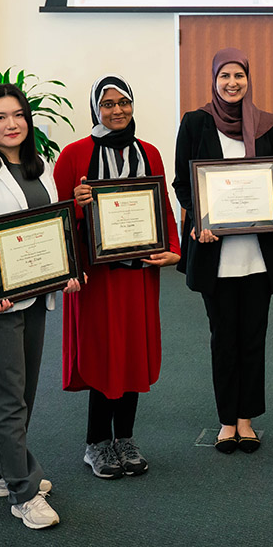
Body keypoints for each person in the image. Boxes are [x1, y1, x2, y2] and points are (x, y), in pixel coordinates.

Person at [0, 84, 80, 529]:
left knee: (18, 394)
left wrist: (67, 270)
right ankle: (23, 493)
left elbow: (52, 229)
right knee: (7, 399)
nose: (11, 124)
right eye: (1, 116)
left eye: (18, 114)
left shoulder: (40, 168)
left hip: (37, 295)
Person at [55, 75, 181, 475]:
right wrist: (76, 204)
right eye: (108, 104)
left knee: (132, 350)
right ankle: (96, 443)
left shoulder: (150, 152)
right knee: (101, 350)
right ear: (95, 108)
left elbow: (161, 203)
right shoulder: (73, 155)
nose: (117, 111)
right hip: (95, 278)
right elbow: (57, 218)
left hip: (138, 274)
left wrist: (173, 249)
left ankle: (124, 438)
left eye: (123, 102)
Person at [171, 49, 273, 454]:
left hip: (257, 253)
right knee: (223, 337)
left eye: (239, 74)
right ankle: (227, 421)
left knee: (254, 336)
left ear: (248, 78)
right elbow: (182, 183)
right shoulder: (195, 122)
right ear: (214, 79)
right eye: (225, 75)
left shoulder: (267, 123)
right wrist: (198, 222)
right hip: (215, 254)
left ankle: (247, 419)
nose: (232, 83)